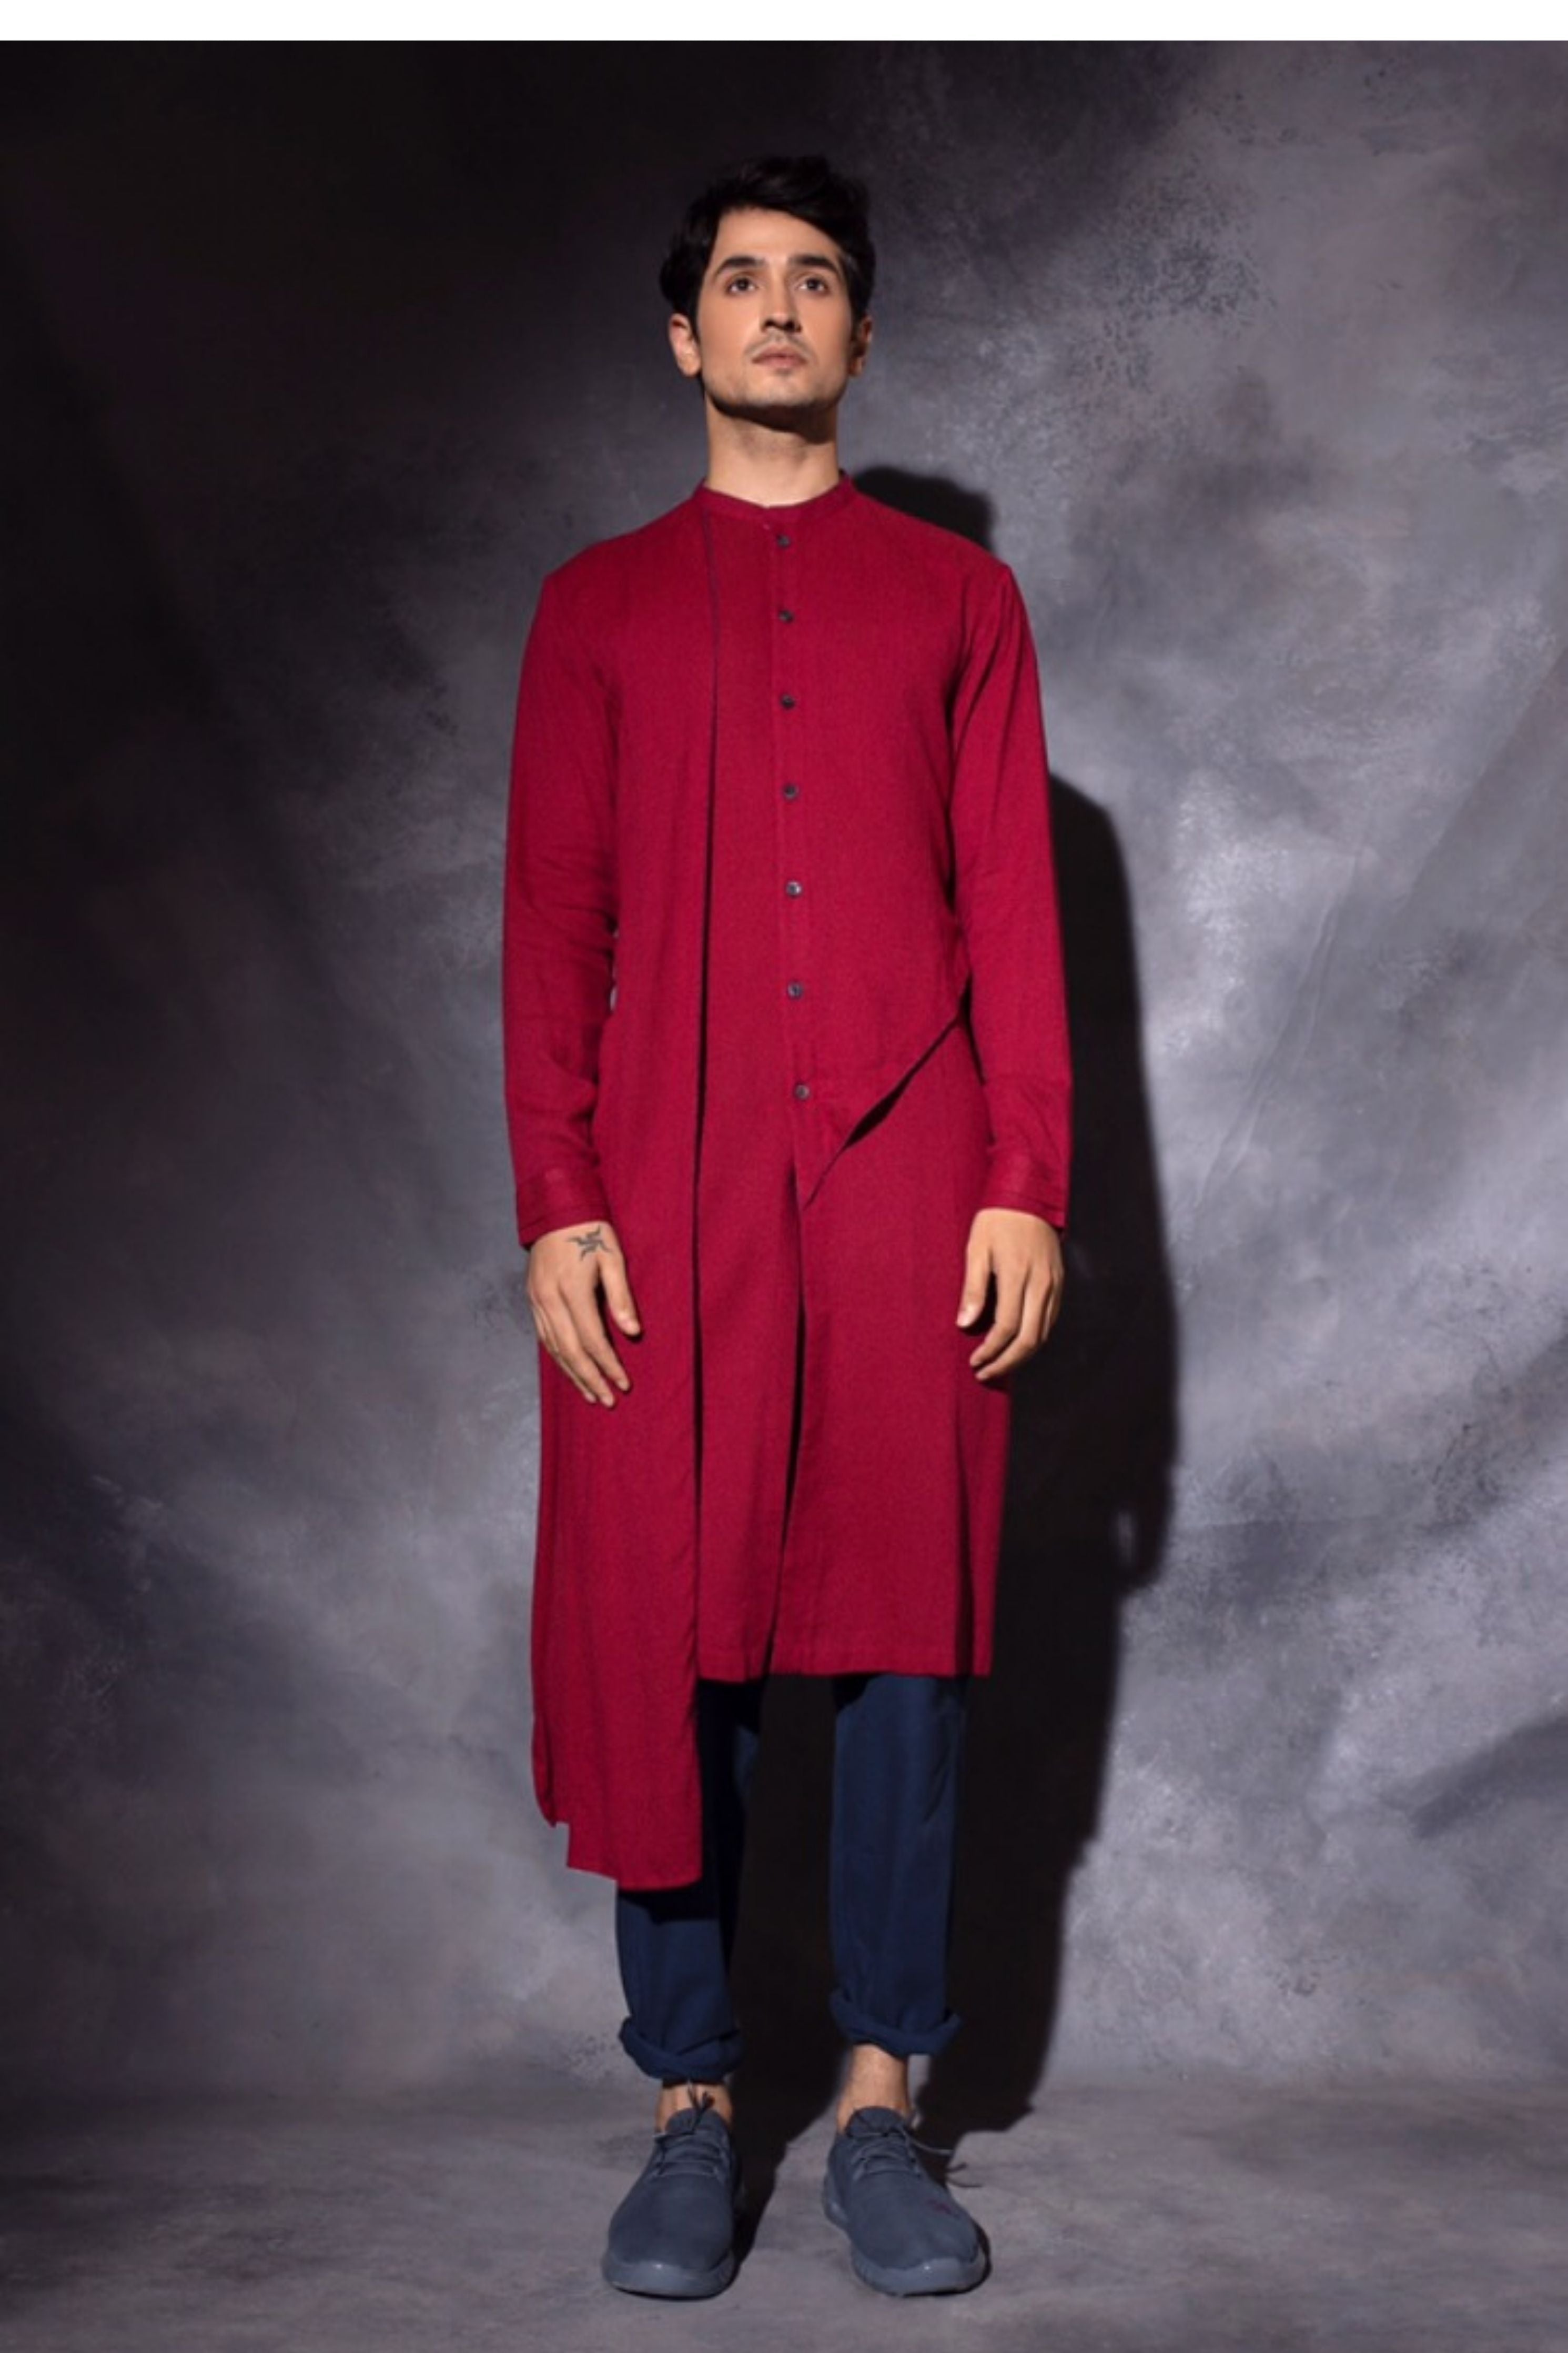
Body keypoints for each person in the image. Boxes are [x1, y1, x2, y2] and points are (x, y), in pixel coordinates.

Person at [501, 154, 1071, 2300]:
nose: (774, 308)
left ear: (859, 334)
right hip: (668, 1184)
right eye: (738, 280)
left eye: (813, 280)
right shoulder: (594, 607)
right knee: (678, 1627)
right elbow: (552, 930)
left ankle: (882, 2105)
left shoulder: (960, 602)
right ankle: (689, 2099)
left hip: (917, 1175)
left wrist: (1026, 1178)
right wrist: (558, 1202)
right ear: (684, 337)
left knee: (906, 1641)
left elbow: (1013, 911)